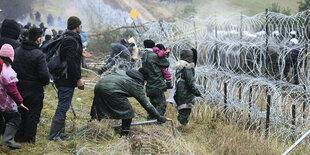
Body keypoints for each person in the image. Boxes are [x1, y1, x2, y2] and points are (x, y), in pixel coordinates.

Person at [90, 68, 167, 136]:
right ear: (144, 79)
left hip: (99, 85)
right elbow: (146, 104)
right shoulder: (136, 84)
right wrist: (158, 116)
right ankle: (124, 134)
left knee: (98, 106)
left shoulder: (124, 72)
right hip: (111, 90)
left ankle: (92, 124)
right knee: (128, 113)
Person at [48, 16, 85, 142]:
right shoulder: (71, 40)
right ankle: (54, 135)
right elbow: (72, 62)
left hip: (62, 77)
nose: (80, 27)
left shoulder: (66, 37)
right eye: (80, 25)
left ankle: (60, 132)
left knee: (64, 104)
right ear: (77, 26)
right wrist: (78, 79)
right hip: (65, 78)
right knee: (63, 106)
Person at [13, 27, 50, 143]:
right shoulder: (39, 55)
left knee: (20, 113)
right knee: (32, 115)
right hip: (35, 91)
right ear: (38, 39)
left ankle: (18, 137)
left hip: (18, 88)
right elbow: (45, 76)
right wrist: (44, 83)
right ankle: (29, 139)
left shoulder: (16, 51)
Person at [0, 44, 29, 149]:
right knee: (15, 117)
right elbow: (12, 90)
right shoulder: (7, 71)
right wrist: (19, 101)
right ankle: (7, 140)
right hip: (4, 101)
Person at [171, 49, 204, 125]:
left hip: (179, 91)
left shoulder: (180, 66)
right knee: (185, 112)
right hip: (186, 94)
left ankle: (180, 126)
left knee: (182, 111)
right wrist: (198, 93)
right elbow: (190, 83)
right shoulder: (188, 67)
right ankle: (182, 128)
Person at [141, 39, 170, 120]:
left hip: (149, 84)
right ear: (153, 46)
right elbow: (166, 63)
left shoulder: (144, 55)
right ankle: (157, 121)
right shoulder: (154, 55)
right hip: (157, 84)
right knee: (161, 105)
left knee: (152, 104)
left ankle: (150, 121)